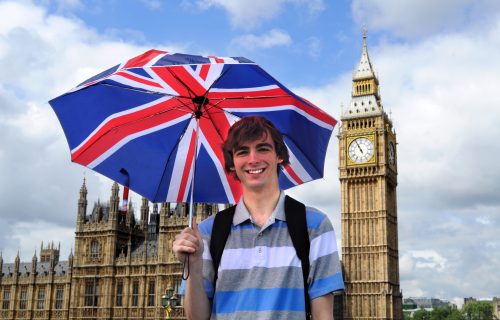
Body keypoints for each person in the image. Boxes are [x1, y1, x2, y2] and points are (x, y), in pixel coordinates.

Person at [173, 115, 344, 320]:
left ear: (279, 155)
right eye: (243, 152)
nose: (253, 159)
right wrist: (193, 265)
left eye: (263, 148)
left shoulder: (314, 226)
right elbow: (197, 317)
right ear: (232, 164)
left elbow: (323, 316)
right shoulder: (208, 232)